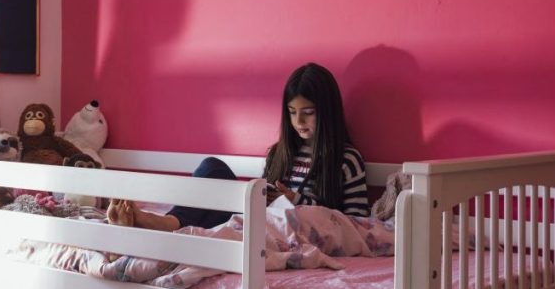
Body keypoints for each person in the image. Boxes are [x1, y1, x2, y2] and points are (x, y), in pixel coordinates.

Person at [108, 62, 368, 231]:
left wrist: (295, 200)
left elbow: (358, 225)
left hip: (289, 232)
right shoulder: (281, 153)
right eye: (291, 112)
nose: (298, 121)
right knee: (212, 167)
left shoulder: (345, 160)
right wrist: (263, 194)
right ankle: (165, 223)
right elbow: (262, 199)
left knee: (218, 223)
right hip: (256, 220)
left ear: (327, 111)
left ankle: (165, 226)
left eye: (308, 112)